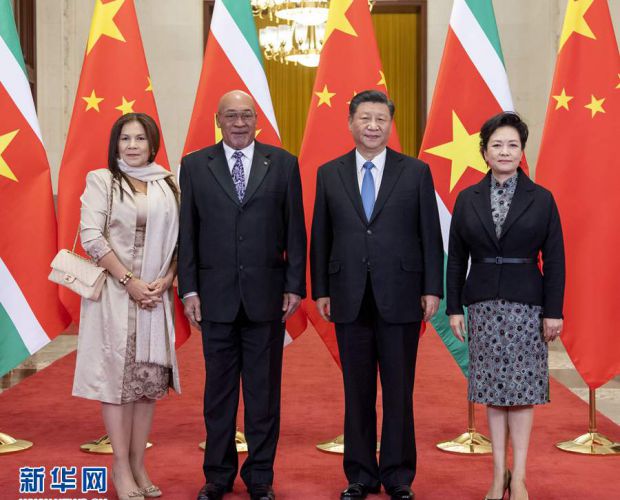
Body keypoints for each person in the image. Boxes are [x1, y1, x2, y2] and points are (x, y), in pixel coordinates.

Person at [310, 90, 444, 500]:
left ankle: (399, 476)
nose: (372, 126)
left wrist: (432, 288)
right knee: (357, 391)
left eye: (380, 119)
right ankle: (360, 474)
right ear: (351, 122)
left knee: (399, 390)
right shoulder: (329, 173)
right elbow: (321, 235)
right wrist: (321, 289)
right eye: (365, 118)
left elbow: (430, 235)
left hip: (402, 295)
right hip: (348, 295)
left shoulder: (415, 172)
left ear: (390, 124)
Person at [178, 90, 306, 500]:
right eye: (231, 115)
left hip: (266, 298)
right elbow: (188, 233)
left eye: (246, 115)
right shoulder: (195, 165)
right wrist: (189, 288)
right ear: (218, 120)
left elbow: (295, 230)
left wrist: (294, 284)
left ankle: (260, 476)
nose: (239, 123)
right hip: (214, 298)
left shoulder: (283, 164)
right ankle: (217, 475)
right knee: (218, 394)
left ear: (257, 120)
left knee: (262, 394)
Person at [446, 112, 565, 500]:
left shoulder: (541, 198)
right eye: (497, 145)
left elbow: (556, 259)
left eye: (513, 144)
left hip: (527, 307)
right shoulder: (467, 198)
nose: (505, 151)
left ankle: (522, 476)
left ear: (522, 151)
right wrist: (454, 308)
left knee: (523, 392)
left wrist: (553, 311)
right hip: (482, 306)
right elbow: (455, 257)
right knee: (494, 392)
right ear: (484, 152)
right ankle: (499, 474)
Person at [73, 113, 181, 500]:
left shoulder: (167, 183)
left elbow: (181, 240)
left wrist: (166, 279)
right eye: (125, 138)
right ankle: (120, 466)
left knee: (147, 384)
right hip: (115, 295)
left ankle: (138, 463)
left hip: (155, 296)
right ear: (115, 144)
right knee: (116, 382)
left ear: (153, 144)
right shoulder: (102, 180)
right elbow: (91, 237)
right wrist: (129, 281)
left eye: (140, 138)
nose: (132, 145)